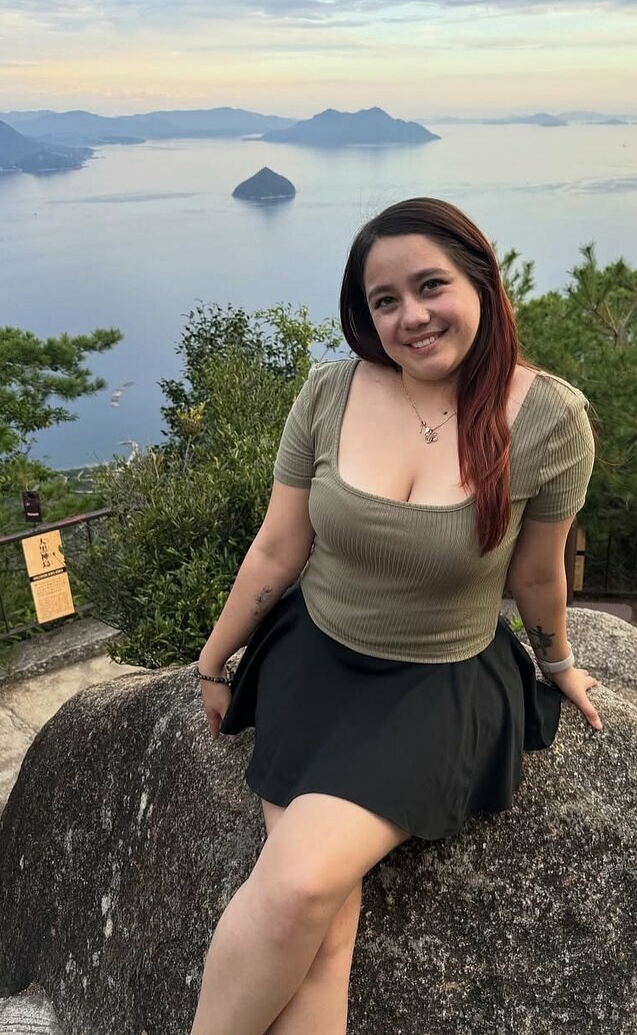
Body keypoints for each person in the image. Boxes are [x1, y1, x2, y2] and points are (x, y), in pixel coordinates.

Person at [189, 197, 599, 1035]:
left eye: (430, 285)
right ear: (364, 315)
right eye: (385, 300)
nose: (411, 316)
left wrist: (556, 663)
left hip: (436, 687)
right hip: (313, 660)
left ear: (480, 282)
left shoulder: (549, 419)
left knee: (298, 885)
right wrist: (214, 660)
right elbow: (277, 547)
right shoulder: (330, 392)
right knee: (321, 926)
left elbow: (535, 572)